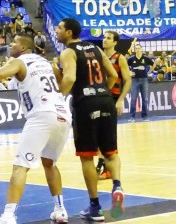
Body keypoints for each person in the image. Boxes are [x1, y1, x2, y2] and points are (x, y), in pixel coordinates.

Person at [0, 34, 71, 224]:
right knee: (49, 164)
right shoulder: (46, 63)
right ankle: (60, 210)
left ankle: (8, 216)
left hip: (41, 115)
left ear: (24, 48)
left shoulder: (20, 61)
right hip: (63, 115)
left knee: (20, 167)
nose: (11, 44)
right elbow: (63, 82)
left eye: (15, 43)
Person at [55, 18, 124, 221]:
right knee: (111, 152)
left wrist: (58, 95)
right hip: (105, 99)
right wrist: (102, 91)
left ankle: (95, 207)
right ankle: (117, 185)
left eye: (59, 28)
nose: (57, 31)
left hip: (85, 104)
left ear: (69, 33)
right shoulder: (95, 48)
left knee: (87, 156)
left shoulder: (68, 52)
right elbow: (112, 75)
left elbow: (70, 79)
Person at [96, 31, 132, 179]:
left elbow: (128, 80)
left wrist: (120, 100)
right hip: (99, 97)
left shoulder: (119, 58)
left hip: (112, 98)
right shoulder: (98, 57)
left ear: (115, 42)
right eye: (104, 37)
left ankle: (108, 167)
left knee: (109, 134)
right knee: (98, 133)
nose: (105, 40)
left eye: (109, 38)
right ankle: (102, 163)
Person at [127, 44, 153, 122]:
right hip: (134, 80)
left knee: (145, 99)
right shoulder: (131, 59)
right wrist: (129, 72)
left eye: (139, 48)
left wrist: (150, 71)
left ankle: (144, 116)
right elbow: (124, 66)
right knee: (133, 99)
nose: (138, 50)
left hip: (144, 80)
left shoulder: (146, 58)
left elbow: (153, 64)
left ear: (141, 49)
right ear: (135, 50)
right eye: (136, 48)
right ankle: (132, 117)